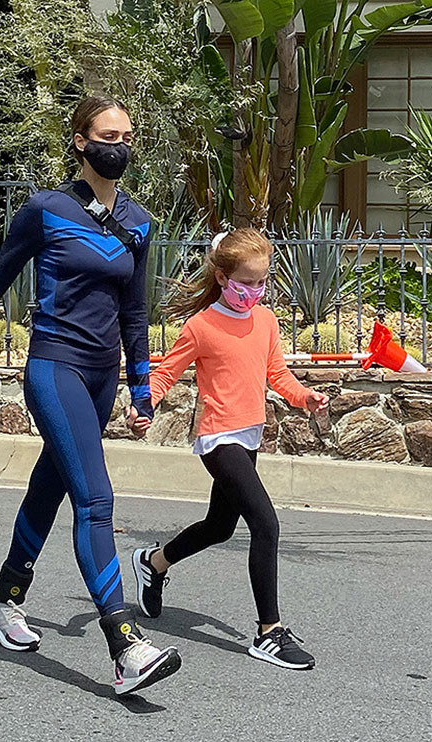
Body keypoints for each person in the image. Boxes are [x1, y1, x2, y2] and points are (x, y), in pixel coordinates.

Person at [0, 96, 181, 695]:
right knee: (96, 499)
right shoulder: (47, 209)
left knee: (52, 484)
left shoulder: (139, 223)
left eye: (127, 135)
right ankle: (124, 645)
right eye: (106, 134)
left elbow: (135, 311)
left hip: (99, 376)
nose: (118, 145)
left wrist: (141, 388)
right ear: (80, 141)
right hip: (55, 367)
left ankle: (0, 603)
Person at [129, 227, 328, 670]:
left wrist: (305, 398)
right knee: (266, 525)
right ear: (221, 277)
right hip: (219, 439)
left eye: (262, 282)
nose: (254, 291)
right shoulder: (201, 326)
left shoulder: (267, 321)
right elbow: (163, 374)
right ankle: (269, 632)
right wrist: (144, 406)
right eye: (247, 282)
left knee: (220, 526)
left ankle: (154, 562)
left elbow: (278, 375)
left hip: (250, 433)